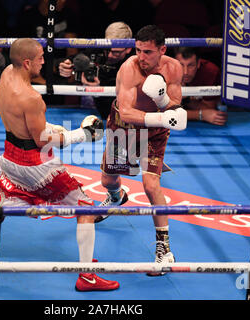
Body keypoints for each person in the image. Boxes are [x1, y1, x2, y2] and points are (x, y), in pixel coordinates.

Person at [0, 38, 120, 292]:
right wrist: (81, 134)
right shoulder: (31, 98)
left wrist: (53, 128)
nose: (44, 61)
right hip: (35, 167)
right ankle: (87, 276)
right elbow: (43, 142)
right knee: (86, 209)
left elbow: (27, 129)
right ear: (27, 62)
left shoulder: (7, 74)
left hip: (10, 156)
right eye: (40, 57)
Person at [98, 25, 187, 276]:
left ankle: (164, 250)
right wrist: (161, 117)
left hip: (154, 133)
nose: (141, 57)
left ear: (162, 50)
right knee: (108, 179)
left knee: (151, 186)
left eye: (147, 52)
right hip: (123, 126)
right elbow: (126, 111)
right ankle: (117, 197)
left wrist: (161, 102)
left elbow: (175, 106)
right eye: (138, 50)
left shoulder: (174, 68)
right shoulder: (129, 68)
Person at [58, 21, 133, 120]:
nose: (110, 55)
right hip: (91, 113)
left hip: (122, 114)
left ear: (128, 49)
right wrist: (66, 66)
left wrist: (99, 90)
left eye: (116, 52)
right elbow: (77, 58)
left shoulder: (134, 62)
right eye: (108, 49)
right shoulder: (98, 49)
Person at [173, 46, 227, 126]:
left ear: (198, 64)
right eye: (181, 65)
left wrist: (185, 99)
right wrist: (200, 115)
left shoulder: (210, 72)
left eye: (191, 65)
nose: (185, 72)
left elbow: (209, 109)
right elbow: (163, 113)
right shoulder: (167, 71)